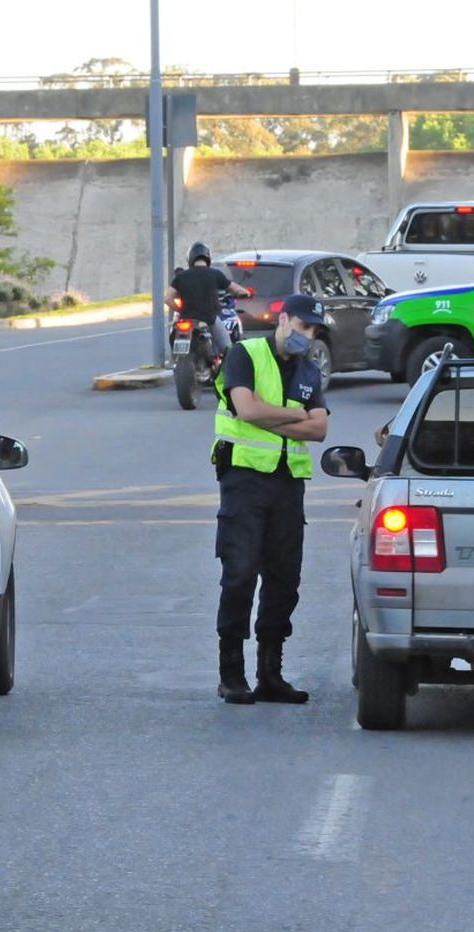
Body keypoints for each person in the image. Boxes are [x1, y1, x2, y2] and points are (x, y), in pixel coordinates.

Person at [210, 294, 330, 705]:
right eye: (302, 327)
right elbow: (245, 410)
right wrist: (297, 416)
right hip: (244, 479)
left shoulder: (309, 371)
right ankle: (231, 674)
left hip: (288, 484)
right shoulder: (245, 353)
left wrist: (273, 413)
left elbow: (319, 431)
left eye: (314, 331)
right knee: (240, 573)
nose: (307, 336)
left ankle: (270, 674)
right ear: (283, 320)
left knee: (284, 580)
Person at [167, 242, 251, 356]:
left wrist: (181, 310)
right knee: (227, 350)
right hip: (209, 319)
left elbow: (168, 298)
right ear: (207, 257)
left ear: (190, 258)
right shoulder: (215, 274)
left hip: (185, 319)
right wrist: (246, 293)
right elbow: (235, 289)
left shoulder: (181, 276)